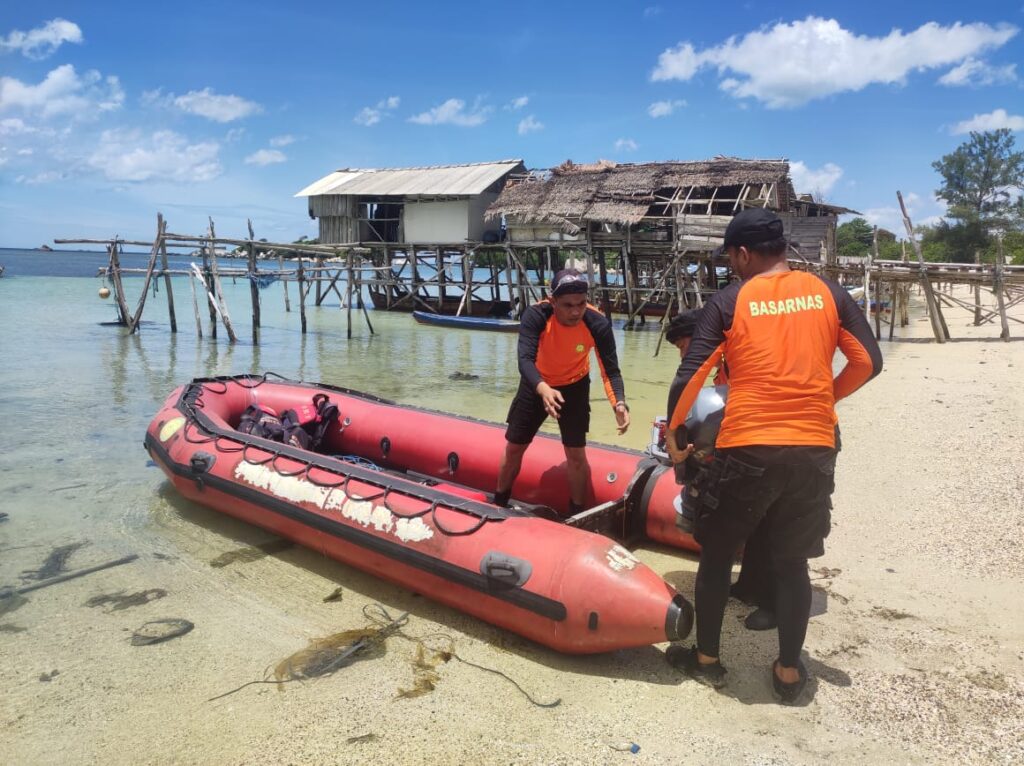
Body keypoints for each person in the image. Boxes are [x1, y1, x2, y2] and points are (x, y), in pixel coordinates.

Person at [663, 208, 882, 703]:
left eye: (731, 259)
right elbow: (869, 361)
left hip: (749, 444)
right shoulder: (828, 291)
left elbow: (693, 374)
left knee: (717, 555)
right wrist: (823, 399)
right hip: (814, 446)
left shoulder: (731, 299)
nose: (731, 267)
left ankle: (708, 661)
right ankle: (787, 671)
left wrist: (676, 432)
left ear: (742, 254)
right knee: (792, 562)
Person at [495, 269, 630, 513]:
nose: (576, 311)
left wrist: (619, 403)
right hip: (536, 383)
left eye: (581, 303)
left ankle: (577, 513)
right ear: (552, 300)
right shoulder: (536, 315)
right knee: (514, 447)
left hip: (575, 386)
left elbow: (610, 370)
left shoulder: (596, 322)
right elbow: (524, 360)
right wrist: (543, 388)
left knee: (576, 454)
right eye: (567, 305)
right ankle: (499, 502)